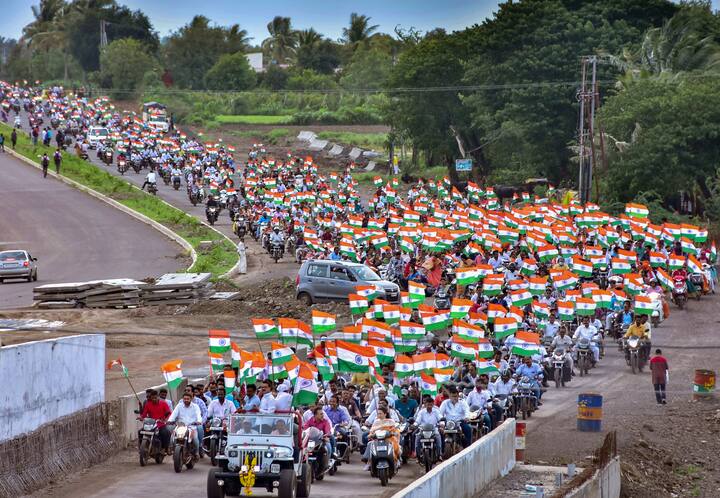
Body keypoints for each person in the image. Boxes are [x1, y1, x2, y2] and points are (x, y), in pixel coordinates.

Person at [167, 392, 202, 458]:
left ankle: (196, 452)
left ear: (191, 399)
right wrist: (170, 420)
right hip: (180, 427)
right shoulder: (179, 405)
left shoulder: (195, 406)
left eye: (187, 399)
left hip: (191, 427)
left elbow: (198, 415)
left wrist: (199, 421)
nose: (186, 400)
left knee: (195, 439)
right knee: (173, 437)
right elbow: (174, 414)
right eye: (184, 399)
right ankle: (171, 448)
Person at [138, 389, 172, 454]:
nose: (154, 399)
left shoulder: (163, 403)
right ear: (151, 398)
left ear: (158, 397)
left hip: (160, 424)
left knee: (166, 433)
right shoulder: (148, 404)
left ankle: (166, 448)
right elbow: (144, 414)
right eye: (152, 398)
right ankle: (141, 447)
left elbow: (169, 413)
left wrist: (166, 419)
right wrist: (141, 417)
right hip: (151, 424)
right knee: (140, 432)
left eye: (155, 398)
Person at [414, 395, 443, 460]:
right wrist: (415, 424)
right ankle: (417, 455)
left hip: (433, 429)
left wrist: (442, 423)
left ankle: (439, 454)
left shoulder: (436, 411)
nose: (429, 405)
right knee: (417, 438)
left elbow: (440, 418)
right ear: (425, 404)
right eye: (428, 403)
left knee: (438, 437)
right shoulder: (421, 412)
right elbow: (418, 420)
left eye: (431, 403)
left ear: (433, 404)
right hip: (423, 430)